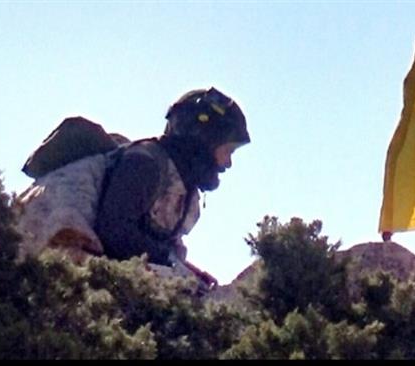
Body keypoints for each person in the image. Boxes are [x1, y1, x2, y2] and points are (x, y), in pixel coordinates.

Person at [15, 87, 250, 293]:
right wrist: (173, 267)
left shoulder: (176, 184)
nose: (227, 163)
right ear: (203, 140)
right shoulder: (145, 163)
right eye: (227, 151)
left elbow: (144, 241)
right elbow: (114, 232)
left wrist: (186, 270)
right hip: (41, 256)